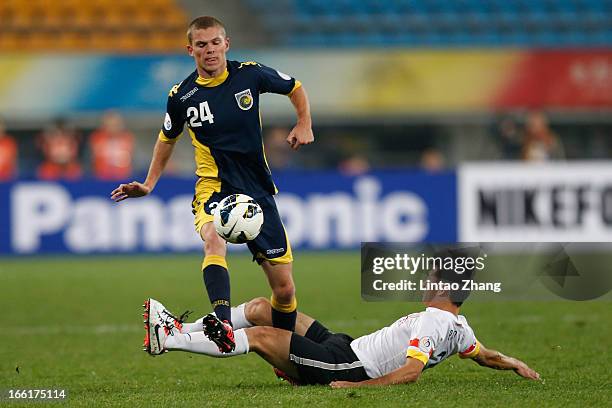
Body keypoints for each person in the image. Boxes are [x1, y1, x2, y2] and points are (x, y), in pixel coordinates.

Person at [112, 16, 314, 352]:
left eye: (215, 42)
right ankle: (221, 321)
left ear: (226, 44)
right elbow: (166, 139)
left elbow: (294, 86)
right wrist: (149, 184)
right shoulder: (182, 96)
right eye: (201, 45)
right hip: (214, 187)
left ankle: (288, 355)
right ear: (190, 50)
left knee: (285, 290)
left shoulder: (250, 74)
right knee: (213, 240)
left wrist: (304, 122)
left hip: (258, 190)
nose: (210, 50)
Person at [143, 266, 540, 387]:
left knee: (263, 335)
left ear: (444, 290)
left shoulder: (435, 322)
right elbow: (485, 356)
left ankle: (170, 340)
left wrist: (356, 387)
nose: (424, 284)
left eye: (431, 281)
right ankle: (180, 327)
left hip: (347, 366)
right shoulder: (459, 326)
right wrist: (517, 363)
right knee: (266, 308)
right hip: (345, 345)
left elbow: (410, 373)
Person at [89, 110, 135, 180]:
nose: (112, 127)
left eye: (115, 124)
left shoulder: (127, 138)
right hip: (102, 178)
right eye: (110, 124)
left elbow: (131, 159)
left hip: (123, 178)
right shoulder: (97, 138)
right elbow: (93, 158)